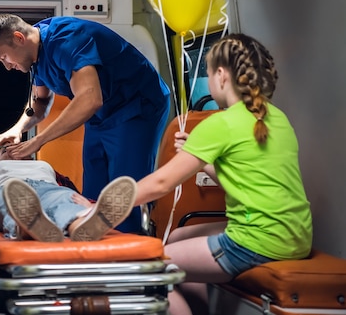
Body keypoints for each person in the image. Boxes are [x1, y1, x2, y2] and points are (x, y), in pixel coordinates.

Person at [129, 34, 313, 315]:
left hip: (256, 241)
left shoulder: (220, 124)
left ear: (222, 75)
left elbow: (162, 182)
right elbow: (245, 179)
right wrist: (202, 161)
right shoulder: (277, 118)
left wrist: (107, 205)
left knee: (153, 269)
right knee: (178, 237)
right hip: (295, 237)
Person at [0, 14, 170, 234]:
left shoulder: (67, 39)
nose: (6, 66)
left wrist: (37, 142)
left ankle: (127, 251)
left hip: (136, 106)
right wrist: (17, 129)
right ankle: (89, 243)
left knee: (123, 188)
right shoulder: (35, 55)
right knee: (91, 191)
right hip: (100, 115)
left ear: (19, 38)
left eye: (4, 57)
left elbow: (90, 98)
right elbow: (40, 101)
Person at [0, 144, 138, 242]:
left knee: (63, 199)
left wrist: (91, 205)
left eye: (18, 148)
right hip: (7, 190)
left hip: (48, 188)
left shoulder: (44, 167)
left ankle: (80, 227)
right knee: (14, 202)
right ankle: (24, 228)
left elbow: (70, 193)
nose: (13, 151)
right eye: (6, 150)